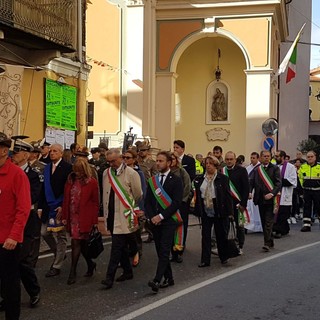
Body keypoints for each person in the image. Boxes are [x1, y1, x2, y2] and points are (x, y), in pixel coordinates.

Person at [101, 149, 142, 289]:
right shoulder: (106, 174)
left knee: (116, 246)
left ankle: (109, 277)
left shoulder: (131, 173)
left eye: (114, 161)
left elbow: (138, 193)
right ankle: (128, 271)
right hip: (111, 215)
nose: (111, 164)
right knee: (121, 246)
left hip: (124, 216)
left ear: (121, 158)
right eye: (109, 162)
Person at [0, 132, 31, 320]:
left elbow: (23, 209)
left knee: (9, 285)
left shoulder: (17, 175)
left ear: (4, 151)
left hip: (7, 240)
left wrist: (14, 235)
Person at [145, 151, 183, 293]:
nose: (158, 163)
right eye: (157, 160)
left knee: (165, 250)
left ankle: (157, 279)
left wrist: (161, 216)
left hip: (168, 220)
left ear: (169, 163)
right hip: (155, 221)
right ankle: (169, 278)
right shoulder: (153, 180)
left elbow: (176, 202)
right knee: (160, 251)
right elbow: (148, 201)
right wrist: (152, 217)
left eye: (161, 161)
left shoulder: (176, 179)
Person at [11, 137, 42, 308]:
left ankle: (34, 291)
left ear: (25, 155)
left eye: (17, 152)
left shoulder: (34, 175)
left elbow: (33, 197)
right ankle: (5, 296)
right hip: (9, 219)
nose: (14, 155)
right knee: (6, 260)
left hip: (26, 220)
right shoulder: (7, 171)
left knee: (22, 260)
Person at [62, 157, 100, 284]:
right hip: (73, 216)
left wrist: (94, 220)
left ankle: (73, 271)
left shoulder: (92, 182)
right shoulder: (70, 180)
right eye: (75, 171)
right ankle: (88, 265)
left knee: (79, 244)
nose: (77, 173)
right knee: (78, 243)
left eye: (79, 171)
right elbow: (66, 199)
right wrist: (64, 216)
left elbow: (95, 202)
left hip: (84, 217)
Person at [38, 143, 72, 277]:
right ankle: (58, 253)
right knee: (44, 232)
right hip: (47, 206)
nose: (52, 153)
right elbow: (42, 189)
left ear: (61, 153)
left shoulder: (68, 168)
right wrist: (40, 207)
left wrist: (64, 206)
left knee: (61, 237)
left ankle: (57, 265)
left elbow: (68, 190)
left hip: (60, 207)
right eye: (51, 151)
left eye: (55, 151)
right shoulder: (46, 168)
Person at [193, 156, 233, 267]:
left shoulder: (223, 178)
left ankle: (224, 257)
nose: (208, 165)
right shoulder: (200, 179)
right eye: (206, 163)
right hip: (205, 208)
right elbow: (197, 195)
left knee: (221, 234)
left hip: (219, 208)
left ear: (216, 165)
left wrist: (230, 212)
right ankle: (205, 260)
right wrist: (197, 210)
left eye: (211, 163)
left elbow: (227, 196)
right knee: (205, 235)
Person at [250, 150, 281, 252]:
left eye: (268, 156)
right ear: (260, 158)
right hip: (260, 199)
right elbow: (251, 182)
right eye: (264, 156)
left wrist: (272, 193)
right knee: (264, 222)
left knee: (268, 221)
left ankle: (266, 243)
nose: (266, 158)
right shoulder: (256, 170)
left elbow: (278, 183)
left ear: (270, 157)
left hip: (271, 200)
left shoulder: (275, 168)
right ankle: (270, 240)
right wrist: (249, 192)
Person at [122, 149, 147, 266]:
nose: (125, 160)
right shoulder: (121, 172)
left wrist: (141, 209)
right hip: (124, 206)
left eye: (128, 158)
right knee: (125, 233)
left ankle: (137, 252)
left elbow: (142, 191)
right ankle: (126, 254)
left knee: (135, 232)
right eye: (124, 157)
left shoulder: (138, 173)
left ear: (134, 159)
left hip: (135, 206)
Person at [223, 151, 249, 254]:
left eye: (231, 159)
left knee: (239, 226)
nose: (229, 161)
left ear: (235, 159)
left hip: (238, 203)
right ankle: (226, 246)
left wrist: (243, 203)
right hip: (226, 204)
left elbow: (246, 188)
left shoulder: (242, 170)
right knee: (225, 226)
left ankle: (240, 245)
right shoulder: (222, 170)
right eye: (227, 159)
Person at [169, 152, 191, 263]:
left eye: (173, 159)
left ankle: (178, 251)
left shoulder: (182, 172)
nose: (172, 161)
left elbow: (187, 187)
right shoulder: (165, 173)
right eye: (170, 159)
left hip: (181, 204)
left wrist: (182, 201)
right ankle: (171, 251)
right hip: (168, 204)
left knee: (180, 228)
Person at [272, 150, 297, 238]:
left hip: (285, 193)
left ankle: (279, 230)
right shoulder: (274, 167)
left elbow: (292, 180)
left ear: (282, 157)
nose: (275, 158)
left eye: (277, 156)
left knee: (283, 213)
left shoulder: (290, 167)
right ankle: (283, 228)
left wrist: (278, 181)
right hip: (276, 193)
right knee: (276, 212)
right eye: (275, 156)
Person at [136, 141, 157, 243]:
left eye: (143, 150)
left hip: (149, 190)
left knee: (148, 214)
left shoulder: (152, 163)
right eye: (140, 150)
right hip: (138, 190)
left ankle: (151, 232)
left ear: (148, 151)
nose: (141, 152)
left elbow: (155, 178)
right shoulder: (137, 163)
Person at [299, 151, 320, 232]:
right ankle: (306, 225)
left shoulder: (319, 166)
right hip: (307, 191)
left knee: (319, 207)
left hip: (318, 191)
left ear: (315, 157)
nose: (310, 158)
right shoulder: (303, 167)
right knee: (306, 207)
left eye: (311, 156)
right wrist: (302, 188)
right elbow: (300, 178)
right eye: (308, 157)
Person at [246, 152, 263, 233]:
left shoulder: (260, 167)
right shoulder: (248, 168)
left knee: (256, 209)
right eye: (251, 158)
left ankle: (259, 226)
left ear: (258, 158)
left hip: (257, 190)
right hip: (249, 190)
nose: (252, 159)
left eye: (254, 158)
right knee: (250, 208)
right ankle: (250, 226)